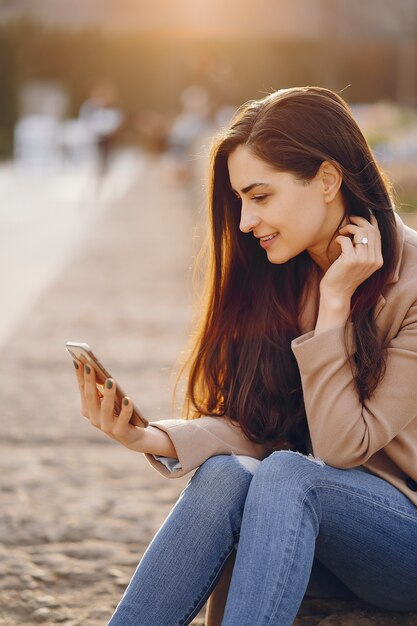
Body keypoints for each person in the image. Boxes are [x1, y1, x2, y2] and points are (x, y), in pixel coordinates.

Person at [72, 86, 417, 625]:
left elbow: (341, 448)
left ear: (328, 180)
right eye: (240, 201)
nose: (244, 222)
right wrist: (147, 436)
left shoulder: (412, 287)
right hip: (314, 528)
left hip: (402, 544)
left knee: (286, 474)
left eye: (260, 197)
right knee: (226, 475)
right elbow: (265, 425)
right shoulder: (284, 274)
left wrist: (334, 308)